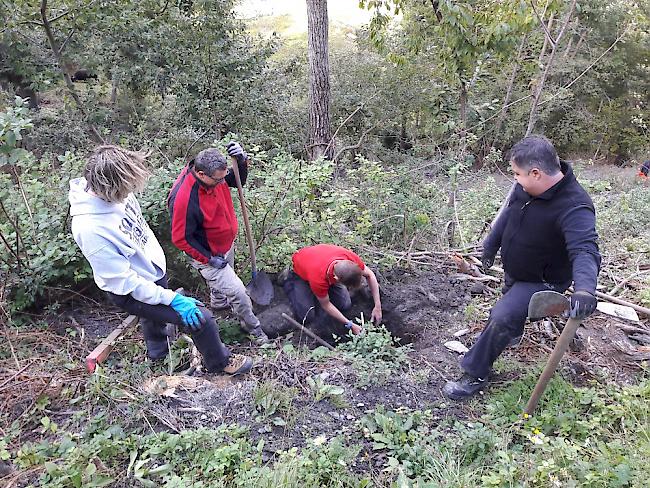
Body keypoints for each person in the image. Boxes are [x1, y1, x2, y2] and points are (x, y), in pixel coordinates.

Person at [69, 145, 252, 376]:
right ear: (110, 186)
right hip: (129, 289)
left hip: (151, 269)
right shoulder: (90, 228)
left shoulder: (115, 194)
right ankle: (220, 363)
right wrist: (174, 300)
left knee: (153, 317)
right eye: (125, 188)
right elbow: (126, 284)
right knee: (201, 317)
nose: (129, 193)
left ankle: (158, 355)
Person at [443, 135, 601, 400]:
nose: (515, 179)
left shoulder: (575, 207)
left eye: (517, 173)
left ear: (537, 173)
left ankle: (475, 374)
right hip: (517, 269)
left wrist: (585, 290)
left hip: (543, 280)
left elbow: (585, 250)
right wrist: (490, 245)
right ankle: (513, 331)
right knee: (511, 299)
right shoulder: (525, 189)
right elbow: (508, 215)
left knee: (502, 315)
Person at [168, 143, 269, 344]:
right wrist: (209, 259)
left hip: (224, 244)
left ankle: (219, 303)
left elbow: (236, 180)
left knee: (224, 283)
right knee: (239, 293)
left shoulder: (213, 176)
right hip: (207, 254)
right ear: (201, 173)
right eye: (219, 179)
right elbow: (181, 238)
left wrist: (242, 161)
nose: (224, 182)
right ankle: (254, 329)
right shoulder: (184, 199)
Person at [280, 244, 382, 335]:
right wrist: (350, 325)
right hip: (299, 271)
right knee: (307, 316)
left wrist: (377, 306)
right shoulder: (318, 279)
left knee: (345, 304)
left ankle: (318, 294)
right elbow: (326, 305)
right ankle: (288, 280)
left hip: (319, 263)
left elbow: (370, 275)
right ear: (336, 278)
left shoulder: (350, 259)